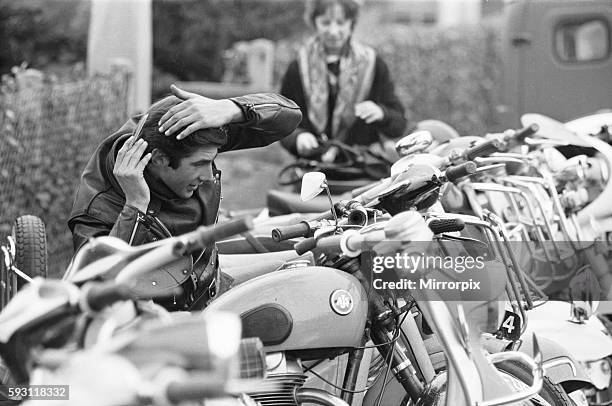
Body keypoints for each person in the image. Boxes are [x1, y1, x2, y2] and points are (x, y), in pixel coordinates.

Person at [68, 85, 302, 310]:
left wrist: (231, 109)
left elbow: (290, 116)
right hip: (158, 326)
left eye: (211, 161)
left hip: (212, 284)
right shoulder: (98, 206)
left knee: (308, 268)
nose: (210, 176)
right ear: (159, 160)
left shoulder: (184, 133)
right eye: (200, 164)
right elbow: (98, 292)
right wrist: (135, 206)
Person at [279, 0, 407, 163]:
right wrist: (297, 138)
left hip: (363, 170)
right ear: (314, 22)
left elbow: (399, 123)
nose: (333, 31)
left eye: (341, 22)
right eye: (325, 22)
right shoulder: (298, 67)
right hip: (313, 168)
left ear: (351, 23)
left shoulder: (373, 64)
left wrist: (381, 113)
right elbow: (283, 122)